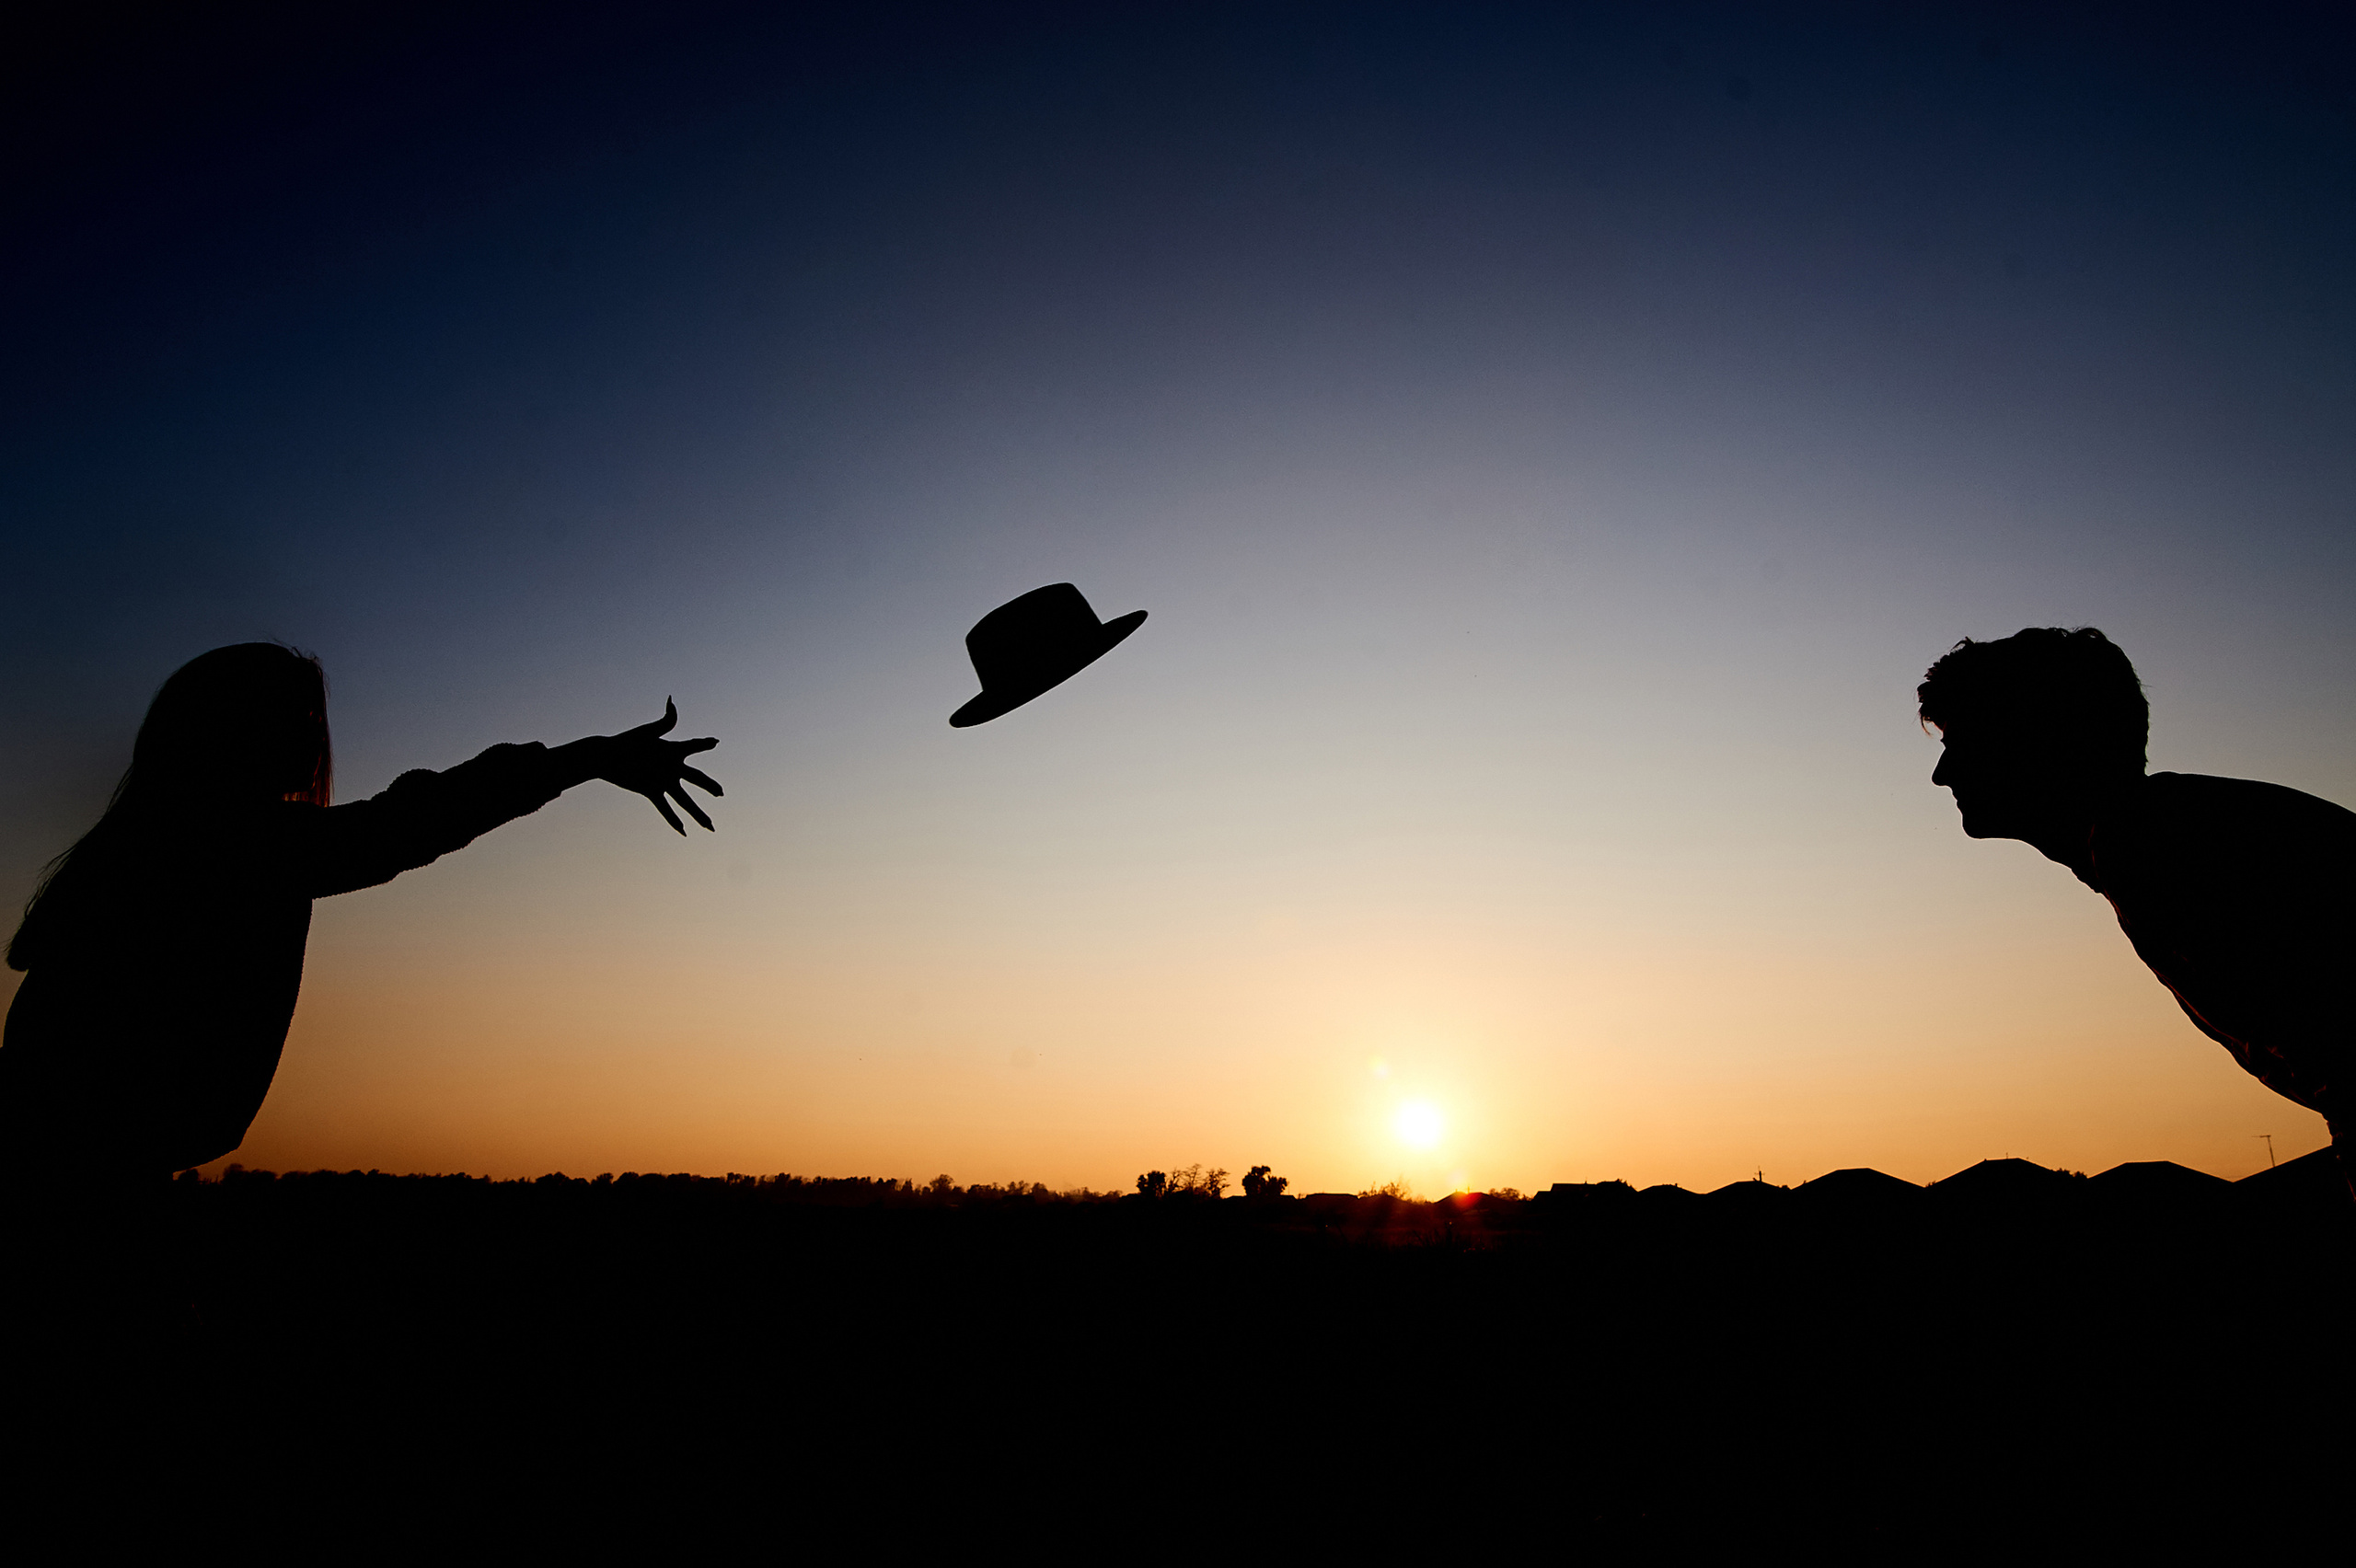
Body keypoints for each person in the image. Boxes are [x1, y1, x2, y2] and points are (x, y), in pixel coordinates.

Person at [1, 642, 722, 1182]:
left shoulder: (153, 844)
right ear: (228, 730)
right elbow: (410, 824)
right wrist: (583, 758)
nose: (309, 735)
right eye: (290, 714)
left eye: (309, 715)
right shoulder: (224, 845)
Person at [1920, 627, 2356, 1185]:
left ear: (2043, 737)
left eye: (1964, 744)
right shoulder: (2167, 830)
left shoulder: (2159, 846)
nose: (1942, 774)